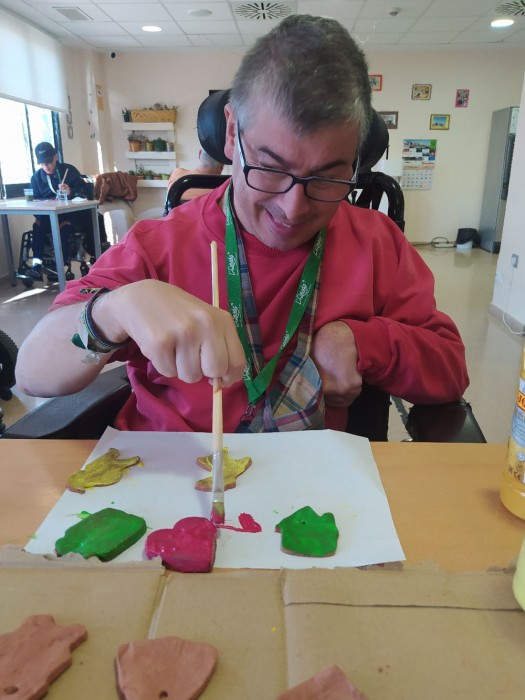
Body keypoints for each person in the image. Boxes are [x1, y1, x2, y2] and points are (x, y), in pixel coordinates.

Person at [16, 15, 469, 435]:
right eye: (270, 168)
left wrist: (364, 342)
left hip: (311, 478)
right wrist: (110, 313)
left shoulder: (375, 243)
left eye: (328, 177)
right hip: (172, 469)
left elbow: (451, 370)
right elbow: (33, 372)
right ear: (232, 133)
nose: (293, 208)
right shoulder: (160, 244)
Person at [26, 142, 93, 281]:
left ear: (56, 156)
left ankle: (62, 265)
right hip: (47, 216)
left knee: (65, 227)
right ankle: (36, 265)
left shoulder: (69, 171)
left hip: (68, 215)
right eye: (43, 163)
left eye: (49, 161)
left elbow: (85, 194)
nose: (47, 166)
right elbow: (34, 202)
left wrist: (71, 191)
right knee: (37, 226)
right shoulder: (36, 178)